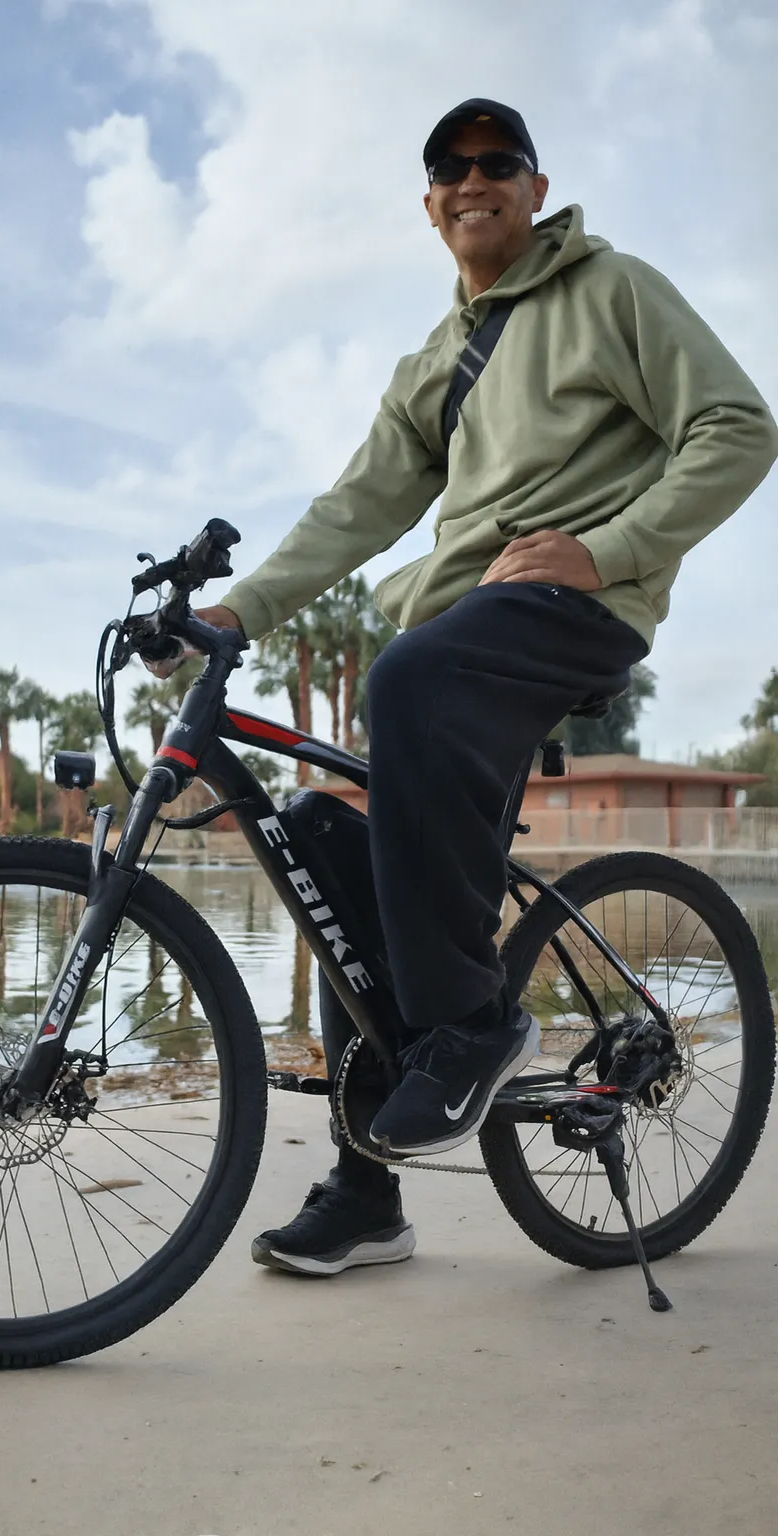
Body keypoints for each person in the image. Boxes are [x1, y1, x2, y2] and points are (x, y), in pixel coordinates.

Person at [190, 99, 778, 1275]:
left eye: (495, 161)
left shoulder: (611, 291)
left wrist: (605, 548)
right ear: (428, 205)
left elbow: (736, 426)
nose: (473, 179)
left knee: (405, 681)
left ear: (533, 185)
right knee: (319, 850)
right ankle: (367, 1195)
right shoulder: (435, 362)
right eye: (448, 168)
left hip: (569, 608)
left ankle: (474, 1023)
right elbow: (355, 507)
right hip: (462, 627)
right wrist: (233, 610)